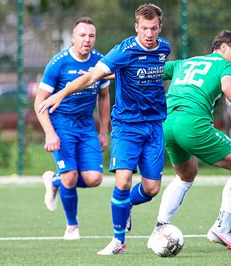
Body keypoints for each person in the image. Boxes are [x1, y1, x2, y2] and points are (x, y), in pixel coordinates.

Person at [38, 3, 170, 255]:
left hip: (154, 126)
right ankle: (118, 240)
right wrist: (62, 93)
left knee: (152, 188)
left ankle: (127, 205)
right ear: (136, 27)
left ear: (159, 28)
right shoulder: (123, 50)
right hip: (126, 126)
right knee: (122, 180)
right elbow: (90, 77)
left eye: (153, 28)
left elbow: (140, 73)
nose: (149, 34)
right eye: (144, 28)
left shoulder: (164, 48)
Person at [147, 30, 231, 251]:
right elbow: (228, 88)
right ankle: (222, 227)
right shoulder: (224, 65)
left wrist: (103, 72)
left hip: (167, 124)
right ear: (223, 48)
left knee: (186, 175)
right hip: (192, 124)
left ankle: (159, 229)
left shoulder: (185, 62)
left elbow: (146, 73)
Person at [33, 17, 111, 240]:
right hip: (61, 124)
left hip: (86, 125)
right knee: (70, 177)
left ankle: (53, 180)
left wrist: (103, 132)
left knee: (95, 178)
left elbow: (104, 97)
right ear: (73, 38)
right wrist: (50, 132)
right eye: (83, 35)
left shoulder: (101, 62)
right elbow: (39, 102)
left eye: (91, 36)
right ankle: (72, 227)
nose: (87, 40)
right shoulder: (58, 63)